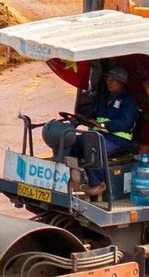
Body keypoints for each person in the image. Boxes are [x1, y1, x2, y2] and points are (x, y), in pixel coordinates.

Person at [44, 67, 140, 195]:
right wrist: (77, 120)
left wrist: (102, 125)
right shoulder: (105, 98)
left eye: (113, 80)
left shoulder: (129, 102)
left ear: (121, 83)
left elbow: (124, 123)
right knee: (72, 144)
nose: (109, 82)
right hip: (97, 136)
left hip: (118, 140)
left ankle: (98, 184)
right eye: (107, 79)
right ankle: (72, 177)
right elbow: (91, 114)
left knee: (94, 148)